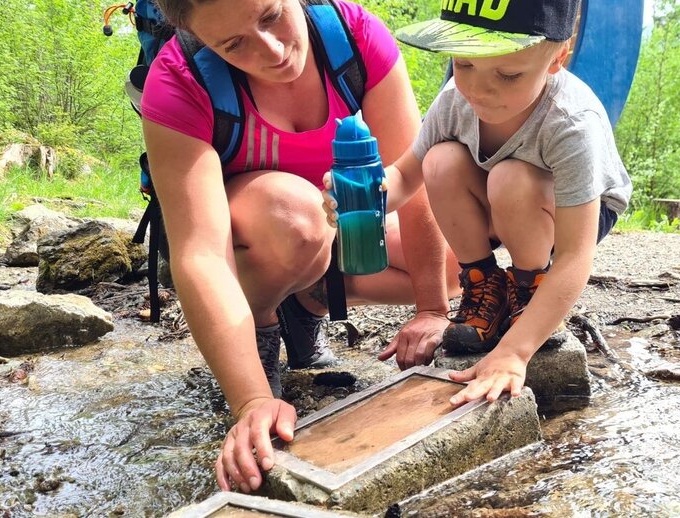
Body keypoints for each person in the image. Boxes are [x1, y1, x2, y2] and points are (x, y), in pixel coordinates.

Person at [140, 0, 458, 494]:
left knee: (453, 264)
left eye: (270, 16)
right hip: (256, 240)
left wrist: (432, 308)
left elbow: (413, 184)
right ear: (200, 39)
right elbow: (202, 253)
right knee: (298, 215)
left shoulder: (353, 39)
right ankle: (266, 324)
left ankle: (307, 302)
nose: (271, 51)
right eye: (233, 44)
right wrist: (249, 401)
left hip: (328, 229)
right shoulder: (180, 80)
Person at [325, 0, 632, 406]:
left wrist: (514, 353)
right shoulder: (456, 99)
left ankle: (528, 289)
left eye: (508, 74)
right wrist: (362, 194)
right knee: (441, 160)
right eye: (465, 65)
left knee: (511, 177)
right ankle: (484, 285)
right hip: (501, 196)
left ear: (558, 56)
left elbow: (576, 255)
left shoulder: (572, 123)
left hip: (576, 211)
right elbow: (405, 175)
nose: (480, 89)